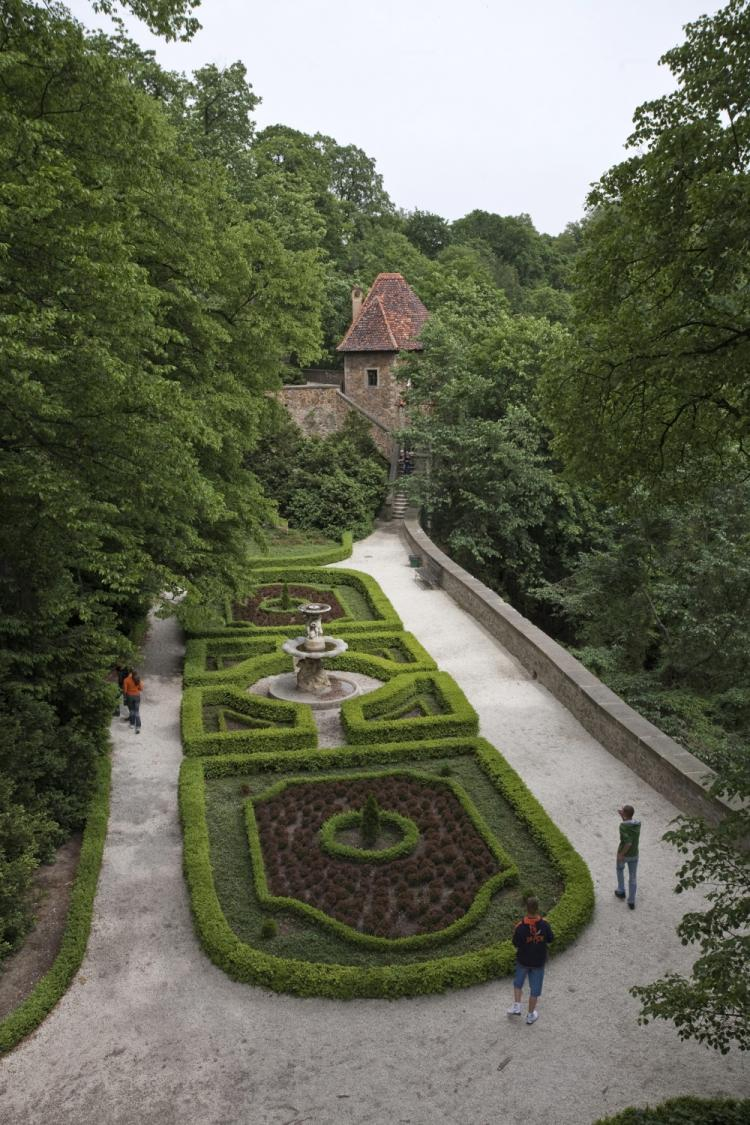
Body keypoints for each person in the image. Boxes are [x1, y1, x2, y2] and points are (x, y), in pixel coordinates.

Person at [507, 895, 554, 1024]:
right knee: (535, 989)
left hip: (523, 961)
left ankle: (517, 1005)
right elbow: (551, 939)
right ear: (537, 908)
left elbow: (515, 943)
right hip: (538, 962)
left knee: (518, 983)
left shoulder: (520, 927)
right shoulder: (545, 925)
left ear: (526, 909)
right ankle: (530, 1015)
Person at [615, 804, 641, 909]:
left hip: (624, 854)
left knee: (620, 869)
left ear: (625, 813)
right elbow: (629, 822)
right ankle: (631, 901)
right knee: (633, 877)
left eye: (623, 811)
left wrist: (621, 854)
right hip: (635, 854)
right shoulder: (638, 824)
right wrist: (623, 816)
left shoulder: (623, 826)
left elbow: (628, 842)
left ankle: (621, 890)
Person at [123, 669, 143, 734]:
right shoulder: (138, 679)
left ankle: (132, 724)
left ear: (131, 673)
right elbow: (141, 689)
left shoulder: (126, 680)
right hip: (137, 696)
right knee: (137, 712)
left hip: (129, 697)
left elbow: (125, 691)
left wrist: (125, 698)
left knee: (131, 711)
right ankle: (138, 727)